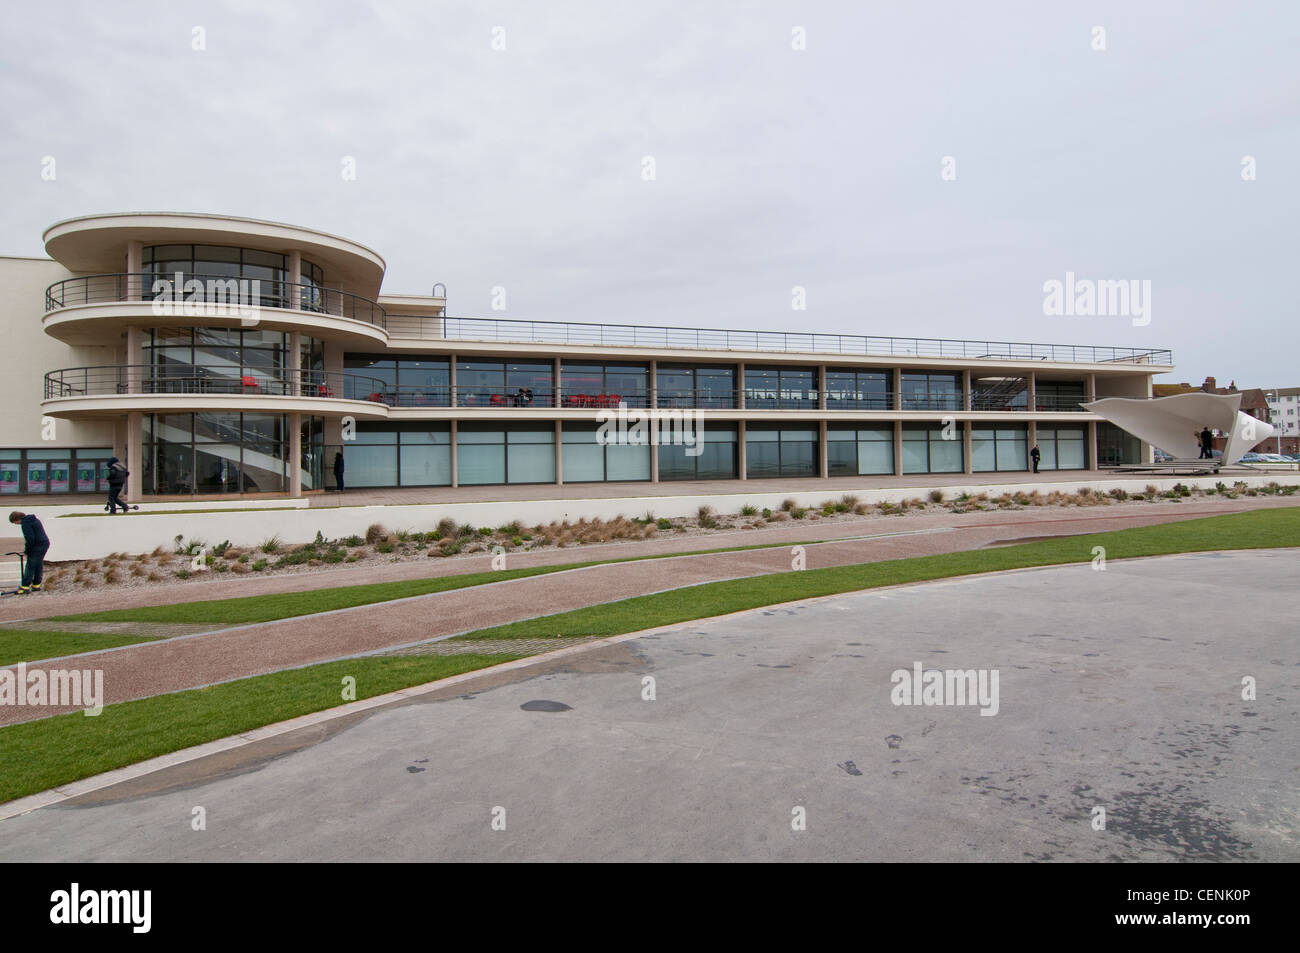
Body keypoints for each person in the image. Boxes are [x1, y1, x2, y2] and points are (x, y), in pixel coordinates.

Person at [9, 511, 49, 594]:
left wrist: (27, 551)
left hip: (36, 546)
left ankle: (25, 587)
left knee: (30, 566)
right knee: (38, 564)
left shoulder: (25, 524)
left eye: (15, 523)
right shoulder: (35, 519)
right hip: (44, 544)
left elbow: (30, 539)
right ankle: (36, 585)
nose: (17, 524)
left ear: (17, 519)